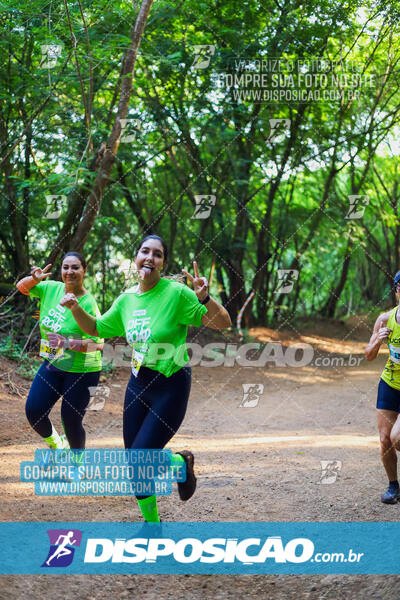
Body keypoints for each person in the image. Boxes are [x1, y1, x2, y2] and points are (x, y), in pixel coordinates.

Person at [60, 235, 232, 522]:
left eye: (158, 254)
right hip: (139, 384)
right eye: (145, 251)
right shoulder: (126, 300)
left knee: (141, 457)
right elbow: (97, 327)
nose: (150, 257)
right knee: (134, 462)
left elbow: (222, 323)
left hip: (171, 385)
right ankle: (155, 520)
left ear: (163, 262)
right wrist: (76, 308)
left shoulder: (176, 293)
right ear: (136, 257)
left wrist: (205, 298)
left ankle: (179, 462)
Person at [16, 252, 103, 453]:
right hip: (54, 363)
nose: (69, 272)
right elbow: (22, 287)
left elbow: (98, 345)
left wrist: (68, 343)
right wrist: (33, 279)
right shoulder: (50, 289)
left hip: (83, 370)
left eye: (75, 267)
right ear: (61, 270)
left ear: (84, 270)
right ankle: (58, 445)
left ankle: (77, 461)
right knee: (34, 411)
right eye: (66, 267)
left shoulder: (88, 303)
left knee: (71, 421)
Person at [365, 270, 400, 503]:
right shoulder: (384, 319)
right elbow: (368, 355)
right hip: (390, 383)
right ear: (397, 291)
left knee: (398, 438)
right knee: (385, 439)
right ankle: (393, 486)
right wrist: (378, 339)